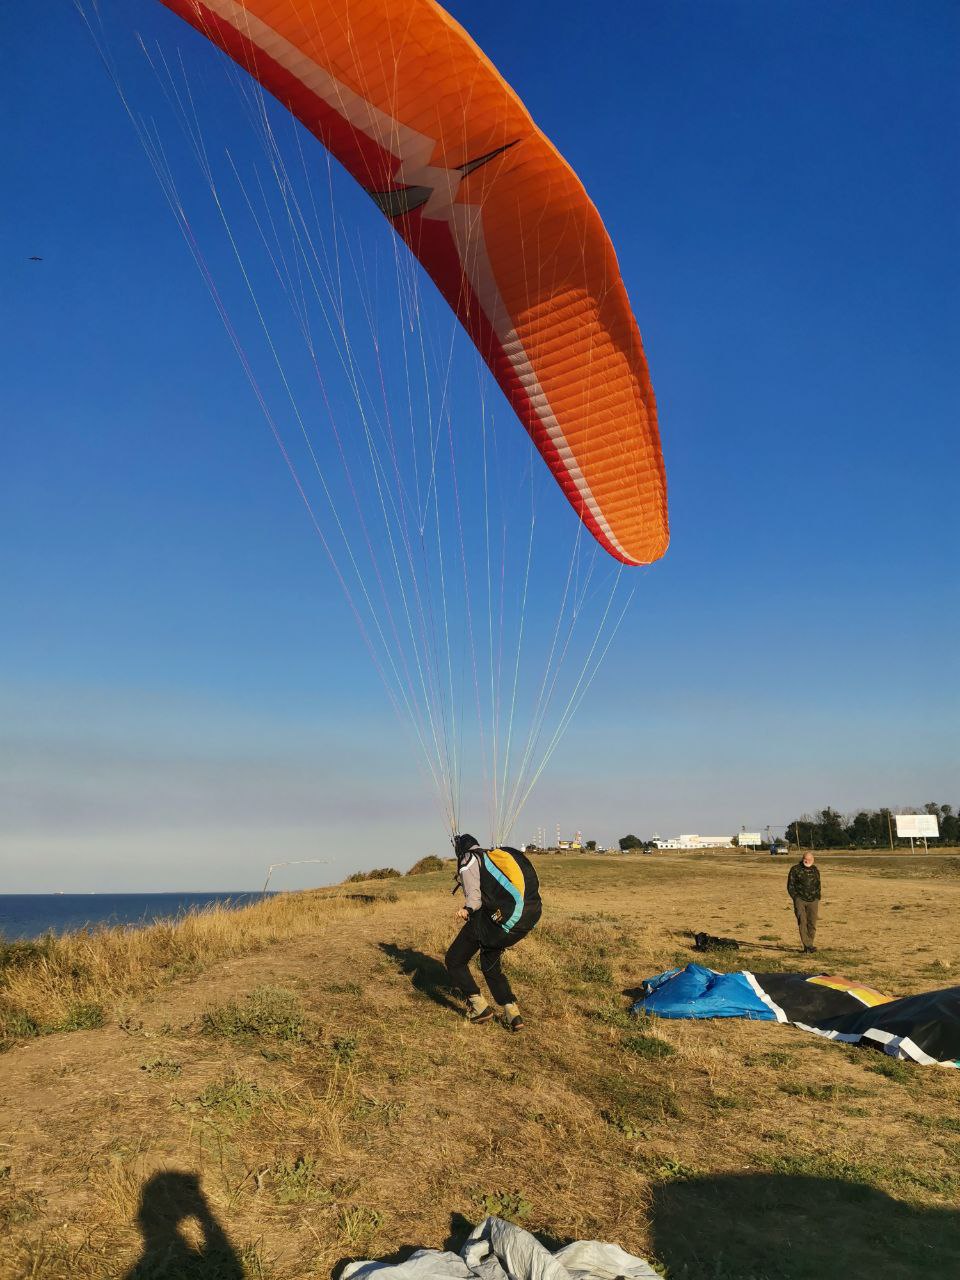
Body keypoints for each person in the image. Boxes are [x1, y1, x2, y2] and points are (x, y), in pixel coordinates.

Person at [445, 833, 542, 1031]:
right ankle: (512, 1012)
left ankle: (479, 1006)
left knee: (454, 960)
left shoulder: (469, 859)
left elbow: (475, 898)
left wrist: (467, 909)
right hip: (515, 923)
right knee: (490, 965)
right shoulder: (490, 856)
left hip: (492, 922)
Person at [787, 851, 821, 953]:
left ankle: (809, 945)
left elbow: (818, 884)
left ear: (813, 860)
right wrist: (796, 898)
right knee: (802, 921)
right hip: (800, 900)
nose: (808, 861)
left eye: (810, 859)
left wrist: (817, 897)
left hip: (813, 900)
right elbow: (790, 886)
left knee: (812, 923)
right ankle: (807, 945)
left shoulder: (815, 870)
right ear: (802, 859)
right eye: (806, 859)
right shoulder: (795, 869)